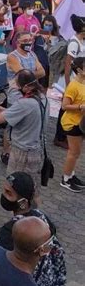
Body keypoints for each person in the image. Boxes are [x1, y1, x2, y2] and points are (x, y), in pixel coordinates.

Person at [0, 172, 66, 286]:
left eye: (8, 193)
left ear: (23, 203)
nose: (3, 195)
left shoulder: (11, 231)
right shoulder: (43, 219)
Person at [0, 71, 49, 188]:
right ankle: (33, 206)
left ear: (26, 87)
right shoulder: (42, 98)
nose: (15, 87)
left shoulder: (25, 103)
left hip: (22, 152)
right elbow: (19, 114)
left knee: (14, 188)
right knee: (32, 189)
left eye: (17, 85)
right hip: (37, 149)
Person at [59, 55, 85, 192]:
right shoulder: (73, 85)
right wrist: (80, 107)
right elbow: (64, 106)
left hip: (81, 122)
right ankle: (66, 178)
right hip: (72, 123)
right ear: (80, 70)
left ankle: (71, 174)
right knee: (73, 152)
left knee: (77, 152)